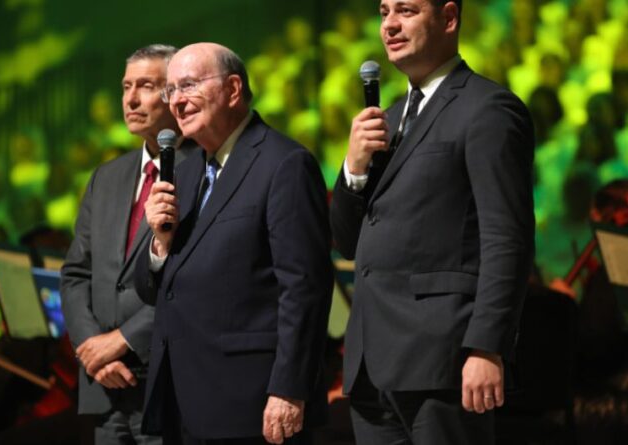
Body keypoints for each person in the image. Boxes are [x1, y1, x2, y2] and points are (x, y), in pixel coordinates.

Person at [329, 1, 535, 443]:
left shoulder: (487, 108)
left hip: (442, 360)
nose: (390, 25)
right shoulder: (386, 120)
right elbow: (347, 242)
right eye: (384, 12)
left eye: (406, 10)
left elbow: (507, 238)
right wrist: (353, 169)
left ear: (449, 18)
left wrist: (487, 345)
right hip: (371, 365)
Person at [135, 42, 332, 444]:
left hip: (253, 404)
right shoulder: (184, 174)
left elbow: (304, 289)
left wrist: (289, 389)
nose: (177, 102)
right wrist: (159, 245)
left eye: (188, 85)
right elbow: (154, 290)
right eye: (171, 91)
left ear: (233, 89)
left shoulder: (284, 164)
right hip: (183, 403)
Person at [61, 44, 196, 445]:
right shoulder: (106, 177)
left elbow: (193, 281)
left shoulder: (205, 170)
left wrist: (121, 341)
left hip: (169, 385)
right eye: (126, 87)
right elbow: (75, 274)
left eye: (146, 86)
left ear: (175, 94)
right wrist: (92, 350)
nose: (131, 99)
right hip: (105, 387)